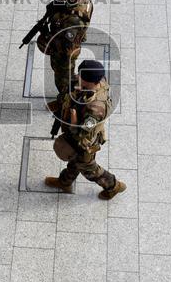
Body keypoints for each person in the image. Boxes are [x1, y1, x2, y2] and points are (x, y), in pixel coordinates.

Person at [43, 60, 125, 201]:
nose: (77, 78)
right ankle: (64, 182)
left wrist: (73, 120)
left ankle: (113, 186)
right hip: (76, 134)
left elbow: (82, 134)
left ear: (91, 82)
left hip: (84, 142)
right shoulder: (90, 81)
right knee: (74, 162)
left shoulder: (96, 108)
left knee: (89, 169)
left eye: (81, 78)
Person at [24, 0, 93, 103]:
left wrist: (45, 34)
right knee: (67, 78)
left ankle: (64, 103)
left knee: (63, 81)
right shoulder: (86, 1)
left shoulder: (72, 22)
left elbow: (63, 47)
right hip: (75, 39)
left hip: (65, 56)